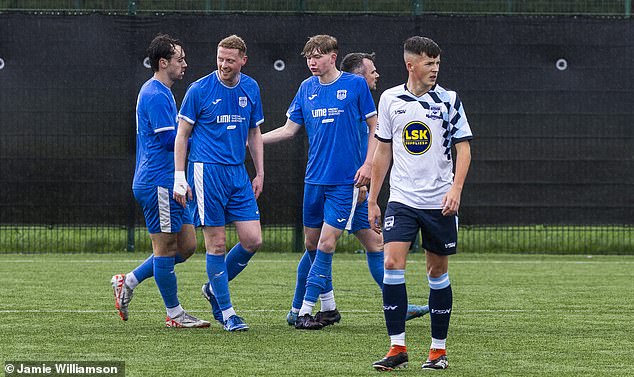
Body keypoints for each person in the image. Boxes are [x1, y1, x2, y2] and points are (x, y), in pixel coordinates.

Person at [283, 52, 429, 327]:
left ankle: (398, 305)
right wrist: (363, 183)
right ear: (358, 76)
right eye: (372, 71)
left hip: (357, 188)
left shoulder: (362, 106)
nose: (376, 76)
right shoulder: (347, 100)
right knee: (317, 246)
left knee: (374, 243)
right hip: (347, 186)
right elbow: (362, 151)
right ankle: (299, 309)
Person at [369, 37, 472, 370]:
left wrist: (455, 189)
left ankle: (438, 351)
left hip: (438, 201)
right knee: (391, 264)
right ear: (411, 65)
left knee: (436, 272)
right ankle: (397, 347)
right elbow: (382, 151)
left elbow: (464, 149)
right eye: (429, 64)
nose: (435, 70)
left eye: (438, 64)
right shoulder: (389, 99)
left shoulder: (449, 100)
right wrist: (373, 199)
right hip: (402, 199)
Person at [262, 35, 377, 330]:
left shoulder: (355, 85)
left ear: (333, 56)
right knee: (312, 245)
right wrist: (254, 140)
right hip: (314, 180)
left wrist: (368, 165)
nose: (312, 62)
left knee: (327, 243)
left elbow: (375, 127)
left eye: (317, 56)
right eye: (308, 57)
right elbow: (289, 130)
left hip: (344, 182)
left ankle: (303, 311)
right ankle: (329, 308)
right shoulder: (306, 88)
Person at [111, 33, 209, 328]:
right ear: (163, 62)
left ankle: (127, 280)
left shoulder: (163, 91)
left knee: (187, 246)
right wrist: (207, 138)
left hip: (171, 181)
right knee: (165, 249)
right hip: (158, 182)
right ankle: (175, 314)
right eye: (180, 59)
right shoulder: (154, 93)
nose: (185, 65)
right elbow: (170, 140)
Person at [173, 34, 264, 332]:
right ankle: (227, 313)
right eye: (220, 59)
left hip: (238, 173)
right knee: (217, 243)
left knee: (253, 240)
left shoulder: (250, 87)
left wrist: (259, 172)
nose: (224, 65)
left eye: (230, 60)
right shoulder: (199, 89)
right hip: (206, 171)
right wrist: (179, 177)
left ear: (242, 61)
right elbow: (182, 135)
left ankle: (213, 288)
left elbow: (254, 134)